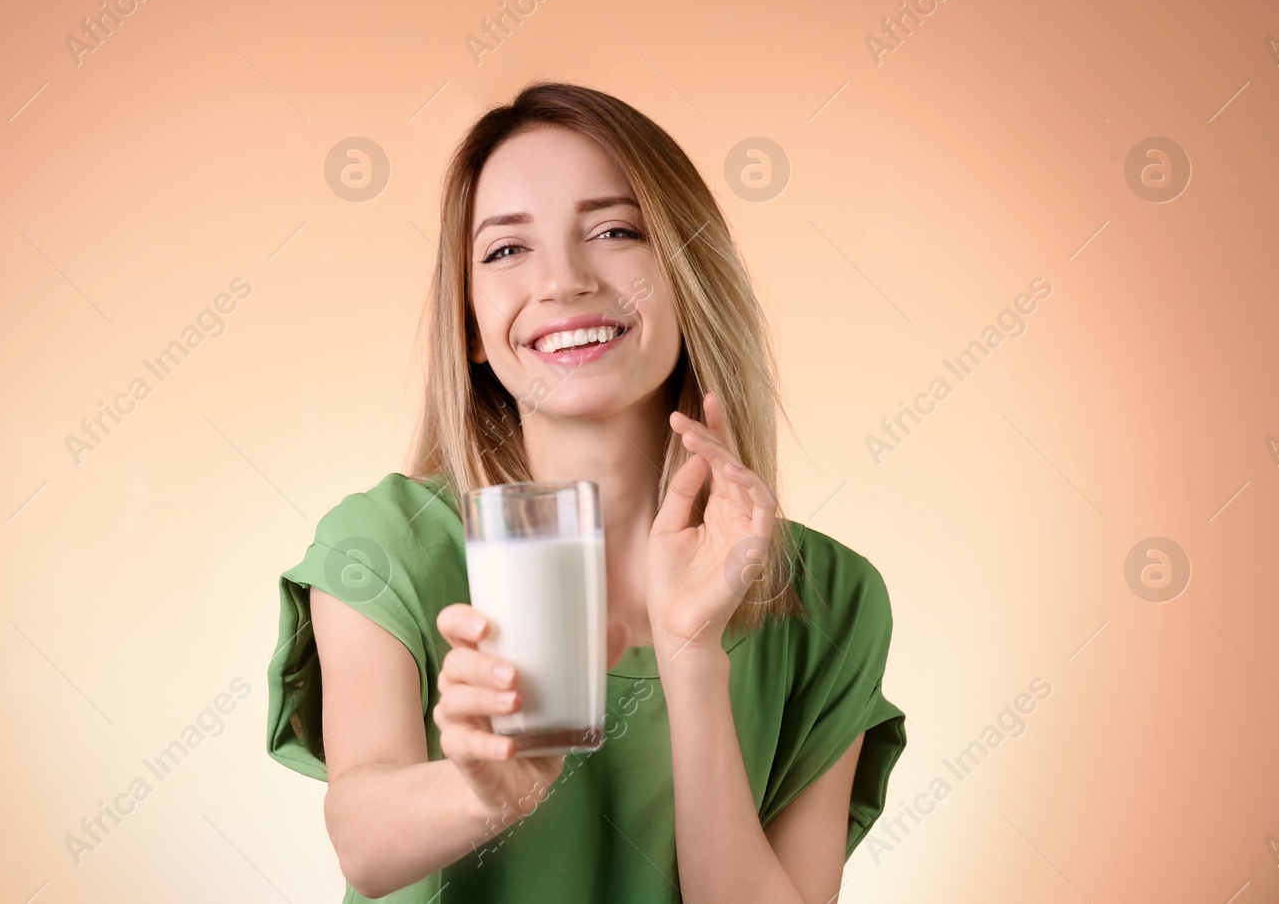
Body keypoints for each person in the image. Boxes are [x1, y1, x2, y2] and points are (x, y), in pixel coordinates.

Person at [267, 81, 906, 902]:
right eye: (505, 250)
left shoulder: (835, 600)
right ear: (468, 320)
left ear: (688, 274)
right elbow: (364, 837)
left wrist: (691, 655)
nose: (562, 280)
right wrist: (483, 785)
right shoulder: (385, 544)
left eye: (614, 231)